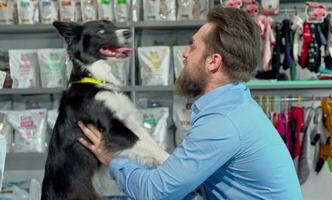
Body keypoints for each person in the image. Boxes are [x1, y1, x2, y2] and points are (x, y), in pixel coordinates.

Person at [78, 6, 302, 200]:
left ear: (213, 62)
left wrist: (112, 159)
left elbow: (154, 193)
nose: (185, 54)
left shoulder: (223, 122)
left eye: (193, 46)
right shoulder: (236, 106)